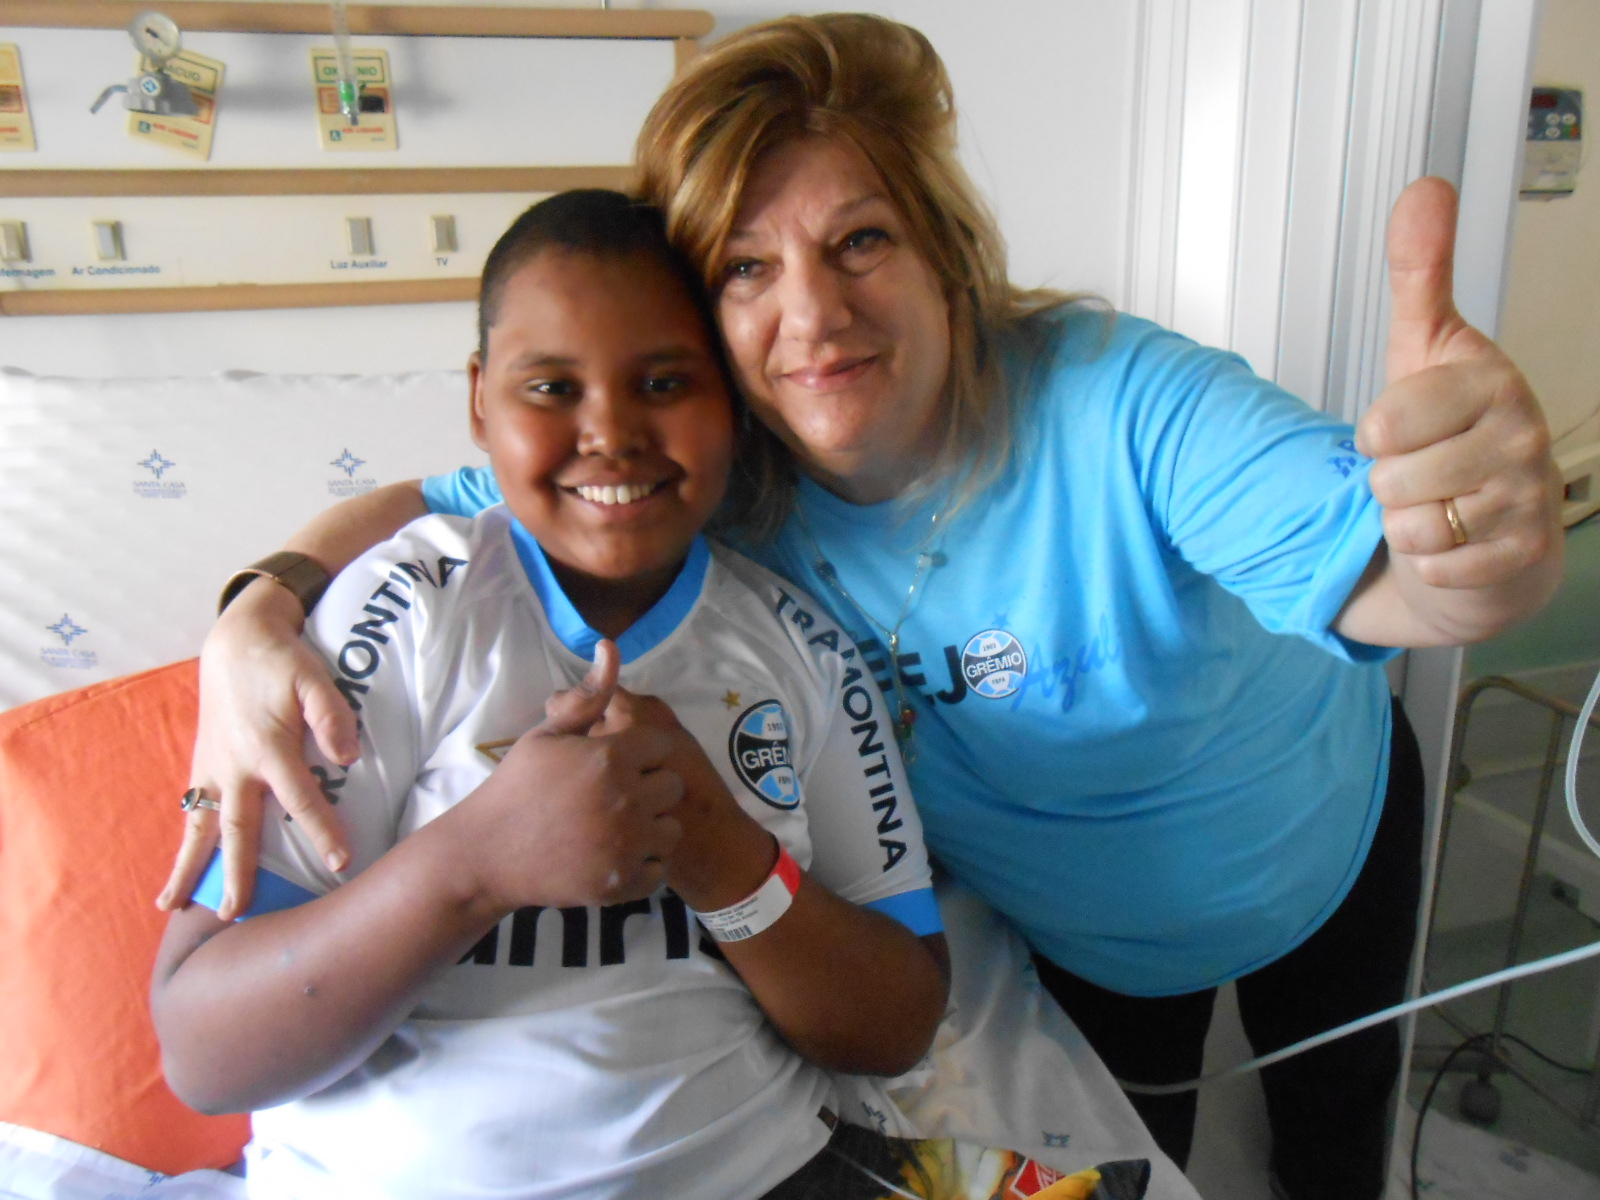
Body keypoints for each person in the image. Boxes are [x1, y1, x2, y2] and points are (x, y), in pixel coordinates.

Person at [158, 16, 1565, 1200]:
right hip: (1083, 934)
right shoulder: (702, 475)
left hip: (1316, 850)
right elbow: (442, 491)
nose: (814, 316)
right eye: (748, 271)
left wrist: (1477, 542)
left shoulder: (1121, 402)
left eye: (862, 240)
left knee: (1336, 1152)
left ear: (948, 253)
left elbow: (1402, 567)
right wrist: (257, 611)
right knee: (1164, 1144)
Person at [150, 189, 958, 1200]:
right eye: (551, 389)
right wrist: (474, 865)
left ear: (733, 403)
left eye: (665, 381)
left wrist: (721, 854)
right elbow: (203, 1048)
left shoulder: (799, 647)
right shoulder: (396, 614)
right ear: (480, 399)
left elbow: (898, 1024)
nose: (611, 432)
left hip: (757, 1169)